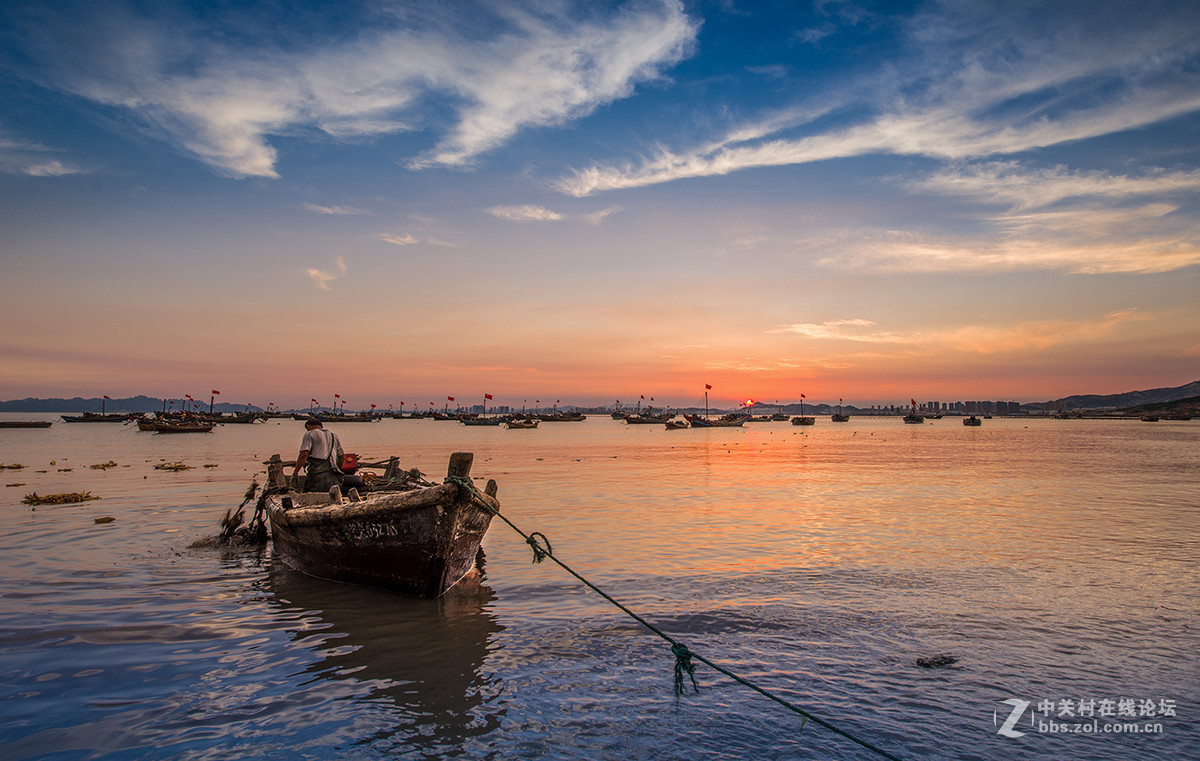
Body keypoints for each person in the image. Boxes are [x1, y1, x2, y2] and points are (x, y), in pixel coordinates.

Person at [293, 418, 344, 493]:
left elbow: (304, 454)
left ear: (308, 426)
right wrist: (338, 469)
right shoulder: (334, 436)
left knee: (310, 497)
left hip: (317, 475)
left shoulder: (310, 433)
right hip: (333, 475)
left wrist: (295, 472)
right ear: (321, 426)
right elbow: (342, 457)